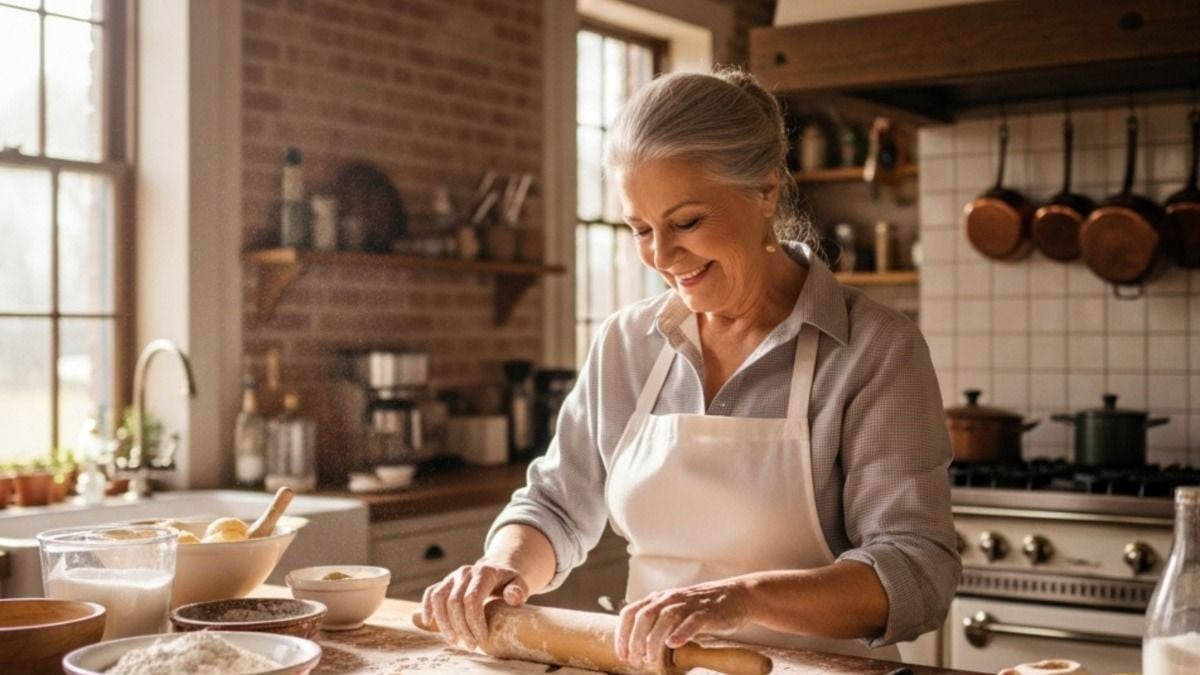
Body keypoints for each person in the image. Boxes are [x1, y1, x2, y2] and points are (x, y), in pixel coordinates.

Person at [422, 67, 960, 667]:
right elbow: (554, 505)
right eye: (640, 229)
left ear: (765, 191)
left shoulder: (874, 349)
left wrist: (741, 600)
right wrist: (505, 565)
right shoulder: (628, 343)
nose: (661, 255)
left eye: (685, 223)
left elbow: (918, 569)